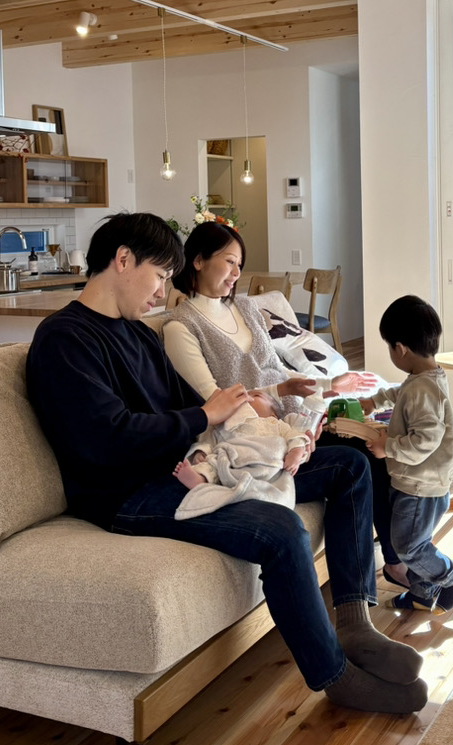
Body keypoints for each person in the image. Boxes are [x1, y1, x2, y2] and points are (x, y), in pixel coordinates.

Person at [26, 212, 426, 714]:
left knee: (348, 466)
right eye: (160, 276)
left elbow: (195, 411)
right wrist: (205, 415)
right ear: (123, 260)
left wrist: (284, 438)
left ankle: (354, 625)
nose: (162, 292)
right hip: (128, 494)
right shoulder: (65, 338)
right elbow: (106, 438)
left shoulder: (138, 334)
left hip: (193, 468)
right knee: (281, 530)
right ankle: (336, 678)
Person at [162, 221, 408, 585]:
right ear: (198, 261)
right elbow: (218, 401)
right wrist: (291, 418)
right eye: (229, 261)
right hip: (255, 444)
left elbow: (279, 372)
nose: (236, 273)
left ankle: (397, 560)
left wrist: (324, 392)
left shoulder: (246, 307)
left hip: (290, 422)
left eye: (240, 264)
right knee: (353, 463)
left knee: (370, 445)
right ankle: (372, 584)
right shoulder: (180, 327)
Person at [363, 295, 453, 614]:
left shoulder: (425, 390)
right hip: (419, 482)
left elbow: (426, 440)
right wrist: (376, 400)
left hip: (421, 487)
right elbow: (402, 392)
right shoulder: (424, 378)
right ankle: (422, 595)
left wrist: (388, 446)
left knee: (409, 547)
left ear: (400, 349)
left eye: (389, 347)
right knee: (415, 541)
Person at [172, 390, 315, 517]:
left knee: (279, 453)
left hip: (266, 464)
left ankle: (259, 494)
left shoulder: (276, 425)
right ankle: (200, 480)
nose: (246, 397)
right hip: (230, 463)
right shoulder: (225, 425)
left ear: (273, 415)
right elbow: (208, 440)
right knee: (213, 461)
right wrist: (200, 453)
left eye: (256, 395)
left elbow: (296, 437)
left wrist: (295, 453)